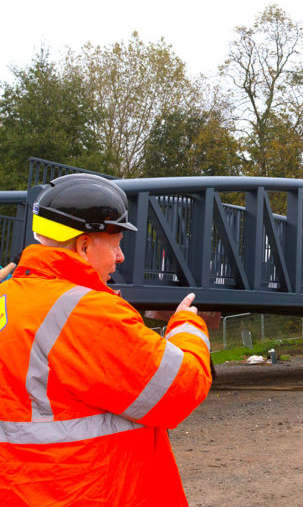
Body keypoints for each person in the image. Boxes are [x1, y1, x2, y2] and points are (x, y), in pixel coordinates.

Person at [0, 173, 212, 506]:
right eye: (115, 244)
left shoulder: (7, 297)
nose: (120, 257)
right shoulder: (88, 311)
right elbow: (180, 389)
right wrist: (187, 326)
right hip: (90, 490)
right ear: (84, 245)